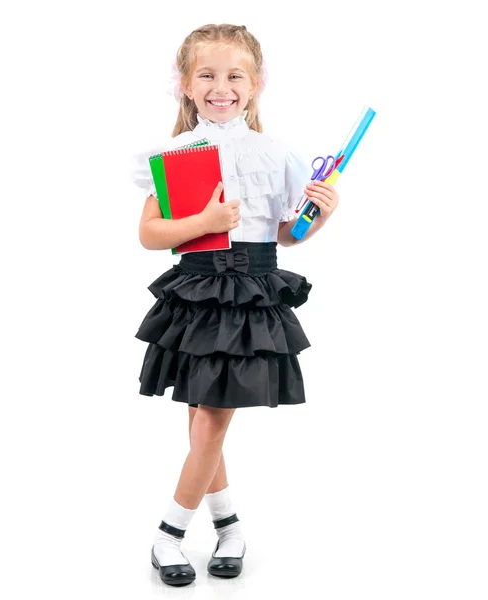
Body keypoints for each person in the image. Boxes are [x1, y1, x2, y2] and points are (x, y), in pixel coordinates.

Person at [131, 23, 339, 587]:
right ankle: (228, 527)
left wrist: (318, 216)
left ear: (256, 84)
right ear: (185, 85)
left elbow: (287, 235)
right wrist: (203, 222)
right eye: (207, 74)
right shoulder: (175, 153)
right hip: (197, 290)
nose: (220, 86)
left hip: (250, 292)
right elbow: (150, 233)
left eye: (234, 75)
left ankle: (167, 534)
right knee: (202, 418)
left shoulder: (276, 152)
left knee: (212, 422)